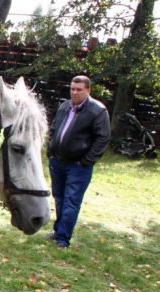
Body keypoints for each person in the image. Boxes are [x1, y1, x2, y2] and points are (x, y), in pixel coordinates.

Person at [47, 75, 110, 249]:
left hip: (78, 167)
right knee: (59, 199)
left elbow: (102, 139)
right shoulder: (64, 106)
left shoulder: (97, 111)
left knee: (71, 201)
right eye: (72, 89)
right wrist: (50, 151)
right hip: (57, 162)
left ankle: (63, 240)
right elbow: (54, 129)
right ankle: (58, 231)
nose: (74, 93)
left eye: (79, 89)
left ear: (88, 90)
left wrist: (86, 161)